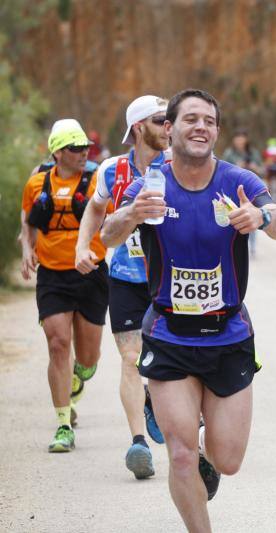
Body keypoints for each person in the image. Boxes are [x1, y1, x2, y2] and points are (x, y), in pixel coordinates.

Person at [100, 88, 276, 532]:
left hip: (228, 334)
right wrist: (131, 214)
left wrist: (261, 218)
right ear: (169, 129)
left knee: (227, 459)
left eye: (208, 120)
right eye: (190, 119)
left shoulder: (237, 181)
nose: (200, 127)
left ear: (217, 131)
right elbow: (109, 235)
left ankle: (208, 449)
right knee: (181, 454)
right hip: (169, 333)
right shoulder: (150, 183)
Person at [75, 95, 170, 479]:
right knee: (131, 358)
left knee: (170, 361)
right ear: (137, 127)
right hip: (127, 277)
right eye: (162, 119)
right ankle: (138, 444)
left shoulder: (181, 166)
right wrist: (84, 245)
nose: (169, 126)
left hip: (171, 279)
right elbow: (95, 210)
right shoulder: (113, 171)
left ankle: (170, 416)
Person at [19, 119, 109, 453]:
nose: (83, 152)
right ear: (58, 153)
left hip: (91, 273)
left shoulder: (97, 180)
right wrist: (27, 249)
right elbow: (28, 219)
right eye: (75, 148)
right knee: (58, 343)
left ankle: (79, 375)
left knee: (88, 357)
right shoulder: (37, 183)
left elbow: (113, 219)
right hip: (53, 276)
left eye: (86, 146)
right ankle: (62, 424)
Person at [223, 130, 264, 257]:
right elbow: (222, 171)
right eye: (237, 138)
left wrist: (254, 167)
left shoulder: (253, 153)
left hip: (250, 191)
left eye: (242, 138)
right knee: (232, 218)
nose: (240, 141)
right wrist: (236, 166)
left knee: (250, 217)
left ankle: (251, 247)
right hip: (232, 191)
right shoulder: (229, 154)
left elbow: (261, 170)